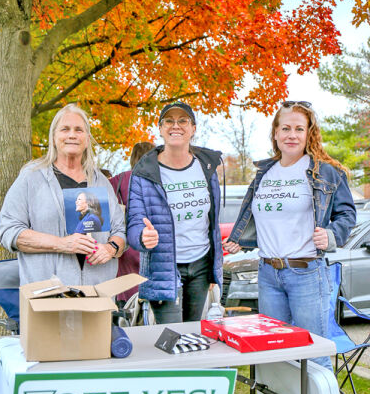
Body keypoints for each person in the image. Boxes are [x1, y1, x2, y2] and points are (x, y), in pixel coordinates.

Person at [223, 100, 356, 370]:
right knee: (273, 355)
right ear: (275, 133)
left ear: (309, 133)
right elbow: (254, 214)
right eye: (285, 128)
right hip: (268, 273)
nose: (291, 135)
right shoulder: (264, 173)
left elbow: (347, 216)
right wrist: (239, 238)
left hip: (306, 273)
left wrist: (331, 236)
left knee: (314, 354)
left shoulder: (325, 172)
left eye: (298, 128)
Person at [0, 104, 126, 286]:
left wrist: (111, 248)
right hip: (47, 295)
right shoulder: (32, 177)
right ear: (53, 137)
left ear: (87, 139)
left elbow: (119, 231)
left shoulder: (100, 182)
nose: (72, 135)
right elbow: (8, 231)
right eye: (65, 129)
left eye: (79, 130)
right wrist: (62, 244)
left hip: (97, 295)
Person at [127, 102, 223, 323]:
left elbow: (213, 221)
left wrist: (215, 265)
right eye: (169, 121)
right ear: (160, 129)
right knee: (172, 336)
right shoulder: (144, 172)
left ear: (193, 128)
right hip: (164, 268)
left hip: (200, 265)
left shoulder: (207, 168)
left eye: (183, 121)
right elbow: (133, 223)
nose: (176, 126)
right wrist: (142, 237)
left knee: (192, 334)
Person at [109, 141, 154, 309]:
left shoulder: (118, 180)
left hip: (125, 244)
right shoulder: (158, 180)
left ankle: (128, 314)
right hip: (151, 242)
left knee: (127, 290)